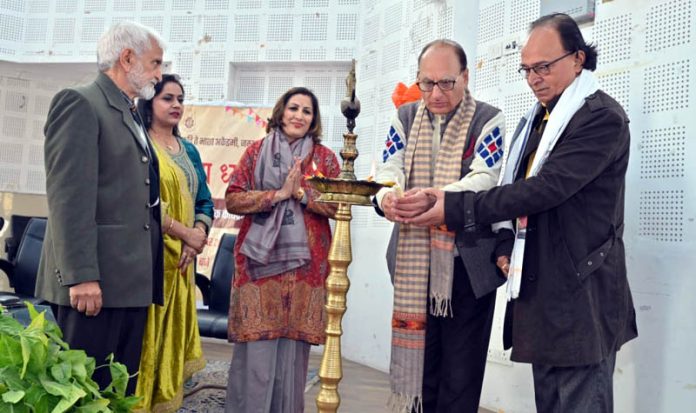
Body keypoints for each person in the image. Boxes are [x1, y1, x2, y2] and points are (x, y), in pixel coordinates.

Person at [407, 14, 638, 413]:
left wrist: (453, 205)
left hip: (581, 295)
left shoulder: (600, 118)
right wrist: (502, 242)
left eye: (543, 67)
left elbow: (545, 189)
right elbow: (515, 193)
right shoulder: (537, 120)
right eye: (527, 69)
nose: (534, 78)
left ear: (578, 59)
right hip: (542, 291)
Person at [373, 39, 507, 412]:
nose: (435, 93)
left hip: (468, 266)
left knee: (460, 376)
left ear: (465, 76)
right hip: (414, 262)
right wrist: (389, 197)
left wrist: (437, 199)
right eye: (426, 83)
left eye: (446, 83)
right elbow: (388, 168)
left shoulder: (488, 118)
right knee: (421, 371)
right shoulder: (404, 117)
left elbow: (485, 177)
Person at [36, 21, 165, 394]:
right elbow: (68, 198)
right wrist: (81, 276)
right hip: (93, 287)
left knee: (114, 395)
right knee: (81, 395)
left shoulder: (128, 111)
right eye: (155, 62)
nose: (159, 73)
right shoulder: (80, 102)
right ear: (127, 58)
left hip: (127, 286)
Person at [224, 87, 340, 413]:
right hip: (259, 266)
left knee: (293, 354)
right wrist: (276, 195)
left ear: (313, 120)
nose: (299, 116)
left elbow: (339, 206)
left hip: (306, 267)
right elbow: (233, 198)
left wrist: (302, 195)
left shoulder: (325, 159)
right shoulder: (255, 152)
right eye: (293, 108)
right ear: (281, 111)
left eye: (307, 111)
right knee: (256, 352)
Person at [133, 74, 213, 412]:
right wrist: (184, 234)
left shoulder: (189, 150)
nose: (177, 104)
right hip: (151, 260)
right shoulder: (140, 144)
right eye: (168, 98)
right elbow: (141, 201)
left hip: (182, 265)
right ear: (150, 103)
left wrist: (195, 240)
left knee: (171, 342)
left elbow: (205, 202)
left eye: (180, 98)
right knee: (145, 344)